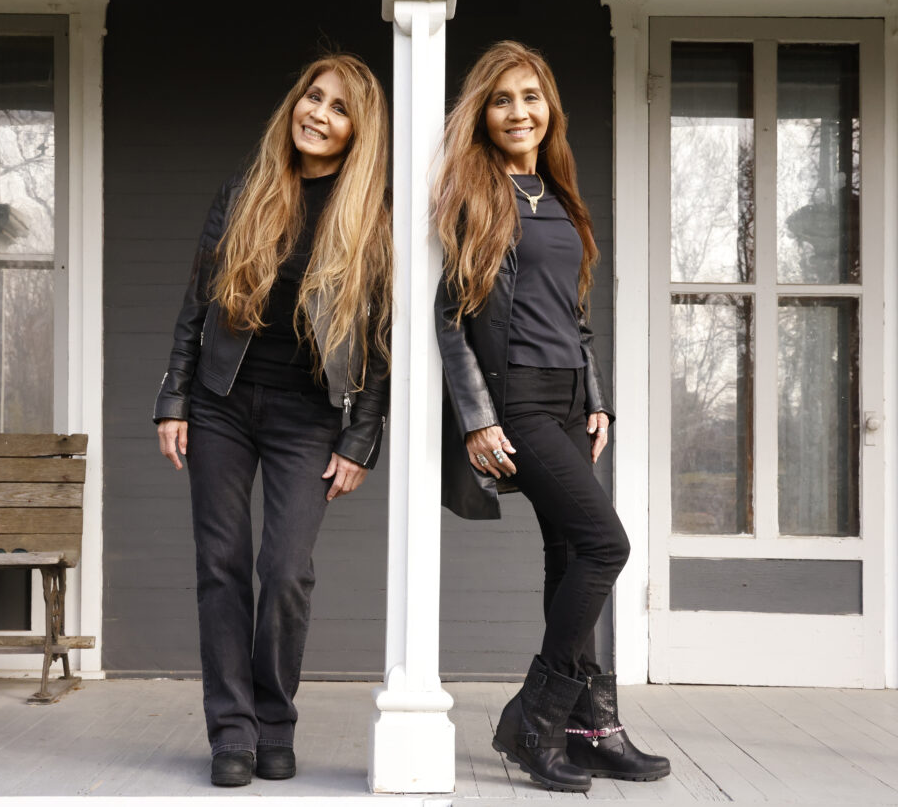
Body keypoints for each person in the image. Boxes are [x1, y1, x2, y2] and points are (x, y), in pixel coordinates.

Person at [434, 41, 669, 792]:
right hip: (521, 401)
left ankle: (593, 729)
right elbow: (450, 318)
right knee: (606, 544)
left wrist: (597, 397)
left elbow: (575, 317)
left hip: (570, 397)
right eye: (501, 99)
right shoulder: (473, 195)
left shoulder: (560, 196)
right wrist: (477, 417)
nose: (518, 112)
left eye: (530, 97)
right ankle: (535, 717)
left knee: (571, 556)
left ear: (549, 109)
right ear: (483, 113)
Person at [153, 53, 391, 788]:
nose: (318, 114)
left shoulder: (371, 218)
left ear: (357, 131)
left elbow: (382, 340)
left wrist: (361, 437)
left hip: (308, 416)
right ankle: (232, 732)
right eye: (313, 97)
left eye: (339, 108)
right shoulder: (246, 191)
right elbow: (198, 303)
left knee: (286, 571)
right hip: (222, 403)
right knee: (221, 567)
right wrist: (174, 398)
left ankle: (275, 721)